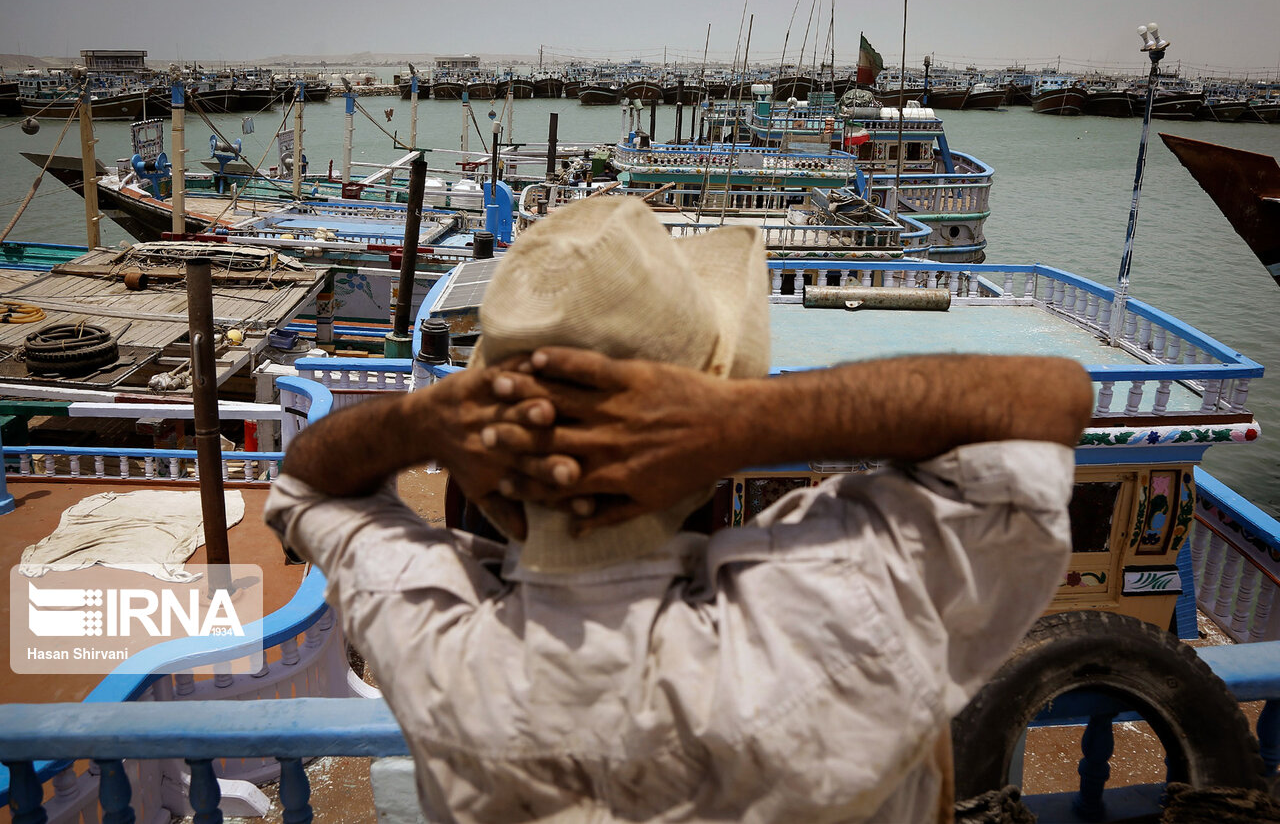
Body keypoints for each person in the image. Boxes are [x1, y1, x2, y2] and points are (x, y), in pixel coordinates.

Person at [266, 197, 1094, 823]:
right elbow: (1048, 403)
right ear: (693, 443)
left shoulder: (435, 645)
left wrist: (426, 420)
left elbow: (306, 483)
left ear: (488, 474)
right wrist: (741, 422)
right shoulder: (835, 608)